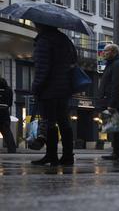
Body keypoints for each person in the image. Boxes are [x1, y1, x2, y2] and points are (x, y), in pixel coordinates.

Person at [30, 24, 77, 166]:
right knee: (64, 122)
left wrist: (36, 87)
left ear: (41, 26)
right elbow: (74, 60)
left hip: (49, 88)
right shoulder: (65, 39)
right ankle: (68, 156)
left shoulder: (44, 41)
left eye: (35, 24)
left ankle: (51, 155)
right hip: (64, 87)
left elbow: (42, 68)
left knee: (49, 123)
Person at [98, 43, 119, 160]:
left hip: (112, 101)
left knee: (117, 128)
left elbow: (117, 84)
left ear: (113, 52)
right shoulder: (111, 64)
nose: (103, 53)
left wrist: (112, 103)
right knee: (113, 127)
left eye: (106, 51)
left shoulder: (117, 64)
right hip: (108, 100)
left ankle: (118, 152)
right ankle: (116, 151)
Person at [1, 77, 16, 153]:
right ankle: (12, 149)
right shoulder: (8, 89)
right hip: (5, 113)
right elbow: (10, 103)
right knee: (7, 132)